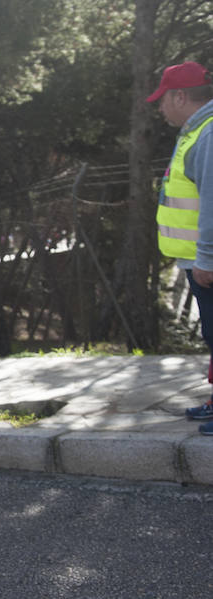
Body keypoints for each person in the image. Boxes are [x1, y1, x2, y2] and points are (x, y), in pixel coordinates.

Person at [148, 62, 213, 436]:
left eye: (163, 100)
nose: (160, 109)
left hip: (208, 260)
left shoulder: (207, 134)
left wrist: (206, 257)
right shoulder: (198, 131)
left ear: (180, 96)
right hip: (199, 258)